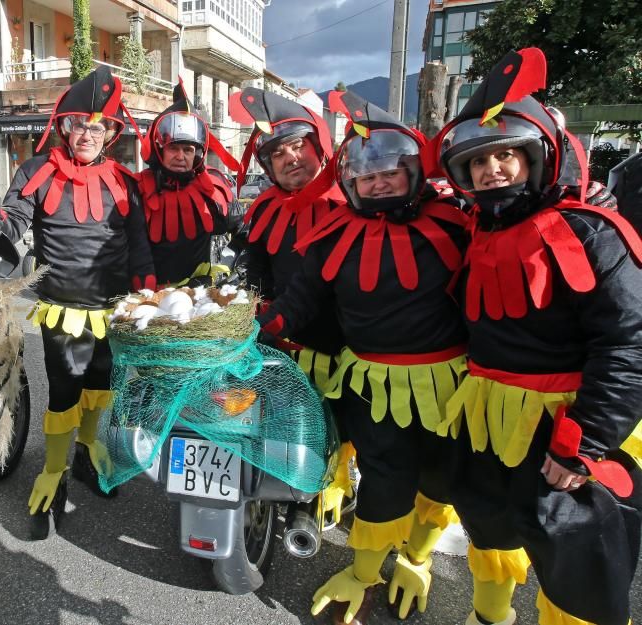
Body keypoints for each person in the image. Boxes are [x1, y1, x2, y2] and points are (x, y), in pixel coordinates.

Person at [432, 48, 642, 625]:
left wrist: (588, 439)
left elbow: (628, 341)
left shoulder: (592, 232)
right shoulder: (475, 229)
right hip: (484, 418)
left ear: (538, 158)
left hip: (566, 425)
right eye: (477, 163)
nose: (490, 170)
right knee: (488, 530)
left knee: (574, 560)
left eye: (506, 156)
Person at [259, 91, 469, 625]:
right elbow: (300, 301)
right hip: (374, 384)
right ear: (350, 182)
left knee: (440, 481)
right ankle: (364, 570)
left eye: (389, 171)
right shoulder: (334, 233)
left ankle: (418, 559)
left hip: (451, 384)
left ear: (411, 172)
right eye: (364, 174)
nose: (377, 182)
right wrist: (257, 329)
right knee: (383, 482)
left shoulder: (456, 224)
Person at [0, 66, 155, 539]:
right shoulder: (36, 170)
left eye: (97, 127)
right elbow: (15, 220)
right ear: (64, 127)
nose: (87, 134)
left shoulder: (125, 181)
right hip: (61, 308)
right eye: (79, 125)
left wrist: (147, 289)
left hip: (113, 310)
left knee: (101, 383)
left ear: (111, 133)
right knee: (64, 392)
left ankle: (88, 452)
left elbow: (138, 243)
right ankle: (53, 469)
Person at [230, 87, 355, 523]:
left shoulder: (350, 203)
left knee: (337, 429)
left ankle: (334, 486)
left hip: (341, 347)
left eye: (298, 145)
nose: (290, 158)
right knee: (281, 423)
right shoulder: (263, 207)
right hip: (280, 340)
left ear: (318, 145)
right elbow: (253, 265)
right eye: (278, 153)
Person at [137, 80, 242, 285]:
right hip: (147, 295)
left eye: (188, 150)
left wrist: (237, 267)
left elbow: (244, 229)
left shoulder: (213, 187)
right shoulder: (138, 188)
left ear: (197, 154)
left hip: (199, 294)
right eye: (173, 148)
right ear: (160, 150)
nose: (180, 156)